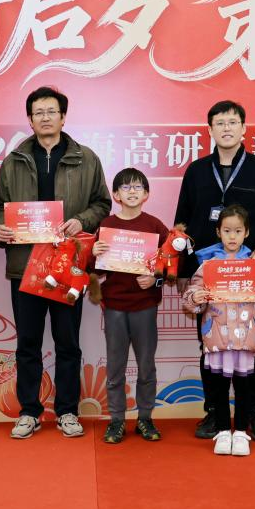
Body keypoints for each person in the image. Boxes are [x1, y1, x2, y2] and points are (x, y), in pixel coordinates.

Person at [0, 87, 110, 439]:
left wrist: (82, 220)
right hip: (25, 267)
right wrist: (1, 226)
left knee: (67, 343)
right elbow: (1, 206)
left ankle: (67, 411)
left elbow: (102, 203)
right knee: (27, 343)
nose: (45, 118)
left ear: (63, 116)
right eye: (38, 112)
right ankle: (29, 411)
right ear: (30, 119)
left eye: (51, 111)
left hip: (68, 267)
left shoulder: (86, 158)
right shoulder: (13, 160)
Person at [173, 100, 255, 442]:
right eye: (220, 123)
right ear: (210, 130)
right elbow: (182, 222)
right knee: (210, 345)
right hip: (208, 276)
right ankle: (214, 413)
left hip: (248, 275)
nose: (226, 128)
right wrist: (184, 270)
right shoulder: (196, 171)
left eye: (233, 122)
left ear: (243, 128)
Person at [182, 205, 255, 457]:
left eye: (237, 231)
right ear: (218, 232)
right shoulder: (208, 265)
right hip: (218, 337)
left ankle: (242, 433)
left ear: (246, 232)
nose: (232, 236)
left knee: (244, 386)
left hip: (246, 337)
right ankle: (223, 431)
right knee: (219, 386)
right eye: (227, 231)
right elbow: (191, 296)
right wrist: (197, 297)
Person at [92, 168, 169, 445]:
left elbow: (171, 264)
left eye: (138, 187)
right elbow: (94, 270)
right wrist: (93, 254)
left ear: (146, 194)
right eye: (125, 187)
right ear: (116, 195)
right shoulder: (106, 225)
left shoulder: (155, 226)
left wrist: (155, 278)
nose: (132, 191)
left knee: (146, 366)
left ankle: (145, 418)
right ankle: (116, 420)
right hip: (114, 306)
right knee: (115, 366)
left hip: (145, 306)